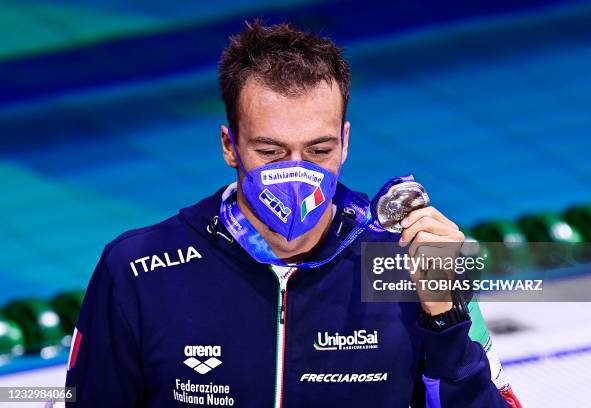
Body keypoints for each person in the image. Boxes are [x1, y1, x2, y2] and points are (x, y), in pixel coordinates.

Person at [66, 20, 521, 407]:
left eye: (318, 150)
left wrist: (444, 317)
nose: (296, 176)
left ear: (344, 142)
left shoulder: (407, 260)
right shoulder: (140, 272)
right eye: (270, 151)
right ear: (230, 145)